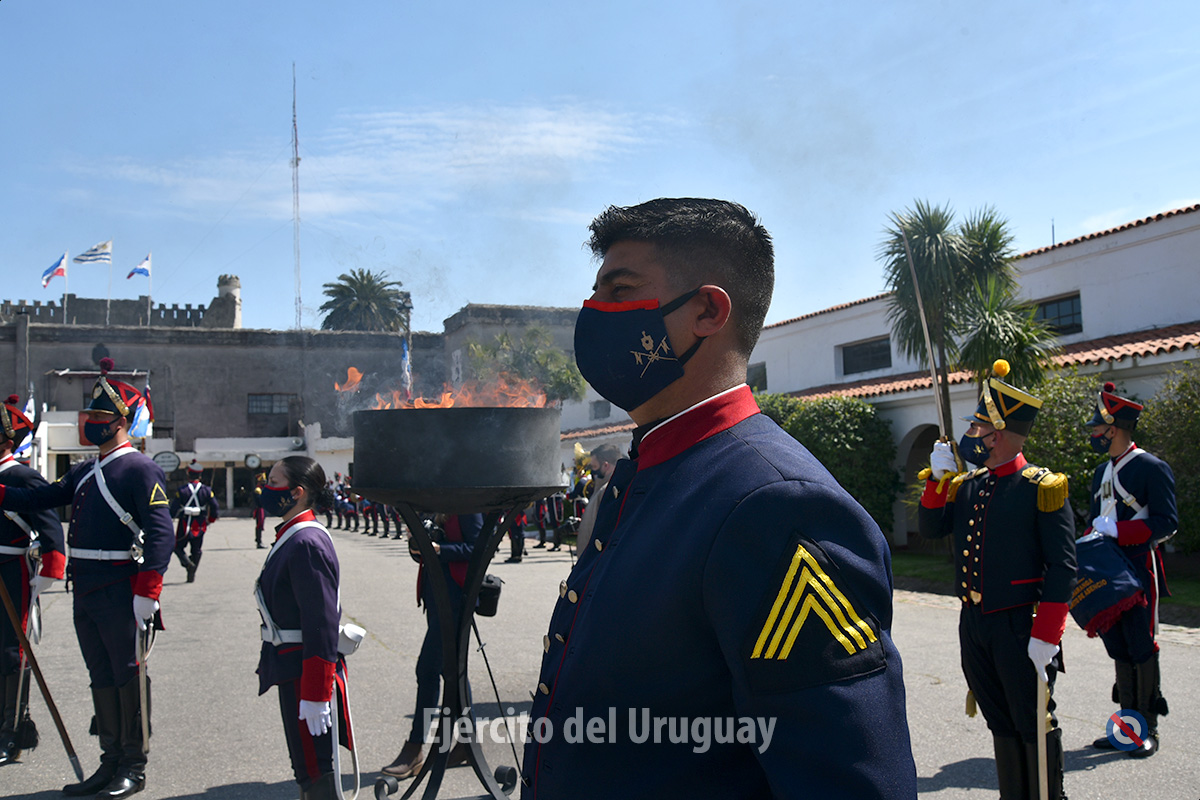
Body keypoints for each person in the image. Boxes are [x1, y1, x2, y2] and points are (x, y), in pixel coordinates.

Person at [522, 198, 917, 798]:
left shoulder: (773, 505)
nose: (595, 314)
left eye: (620, 292)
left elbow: (850, 782)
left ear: (709, 310)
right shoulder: (659, 470)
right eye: (595, 295)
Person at [0, 359, 173, 798]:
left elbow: (160, 533)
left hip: (120, 585)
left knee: (127, 674)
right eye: (89, 415)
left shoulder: (139, 468)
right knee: (100, 674)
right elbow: (41, 496)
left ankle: (133, 765)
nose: (89, 422)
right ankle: (110, 759)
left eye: (98, 417)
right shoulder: (84, 469)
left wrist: (148, 591)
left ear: (120, 422)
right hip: (88, 587)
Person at [919, 359, 1076, 800]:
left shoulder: (1040, 486)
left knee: (1032, 719)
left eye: (979, 428)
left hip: (1019, 625)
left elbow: (1063, 567)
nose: (972, 436)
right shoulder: (969, 485)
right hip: (976, 622)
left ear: (999, 434)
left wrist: (1047, 635)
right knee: (999, 719)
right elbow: (933, 529)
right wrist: (936, 480)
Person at [1083, 382, 1176, 757]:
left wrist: (1120, 530)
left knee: (1141, 645)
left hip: (1138, 568)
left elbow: (1166, 522)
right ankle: (1127, 726)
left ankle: (1147, 728)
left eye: (1097, 427)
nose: (1093, 433)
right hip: (1108, 572)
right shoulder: (1099, 474)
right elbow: (1095, 520)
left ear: (1114, 428)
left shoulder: (1151, 467)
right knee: (1118, 645)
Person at [255, 456, 348, 800]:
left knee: (315, 769)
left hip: (303, 670)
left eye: (274, 481)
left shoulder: (306, 542)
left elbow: (321, 624)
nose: (267, 488)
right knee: (305, 767)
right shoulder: (292, 535)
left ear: (296, 492)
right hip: (291, 664)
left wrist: (315, 691)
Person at [382, 513, 482, 780]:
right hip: (436, 597)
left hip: (454, 599)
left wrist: (441, 549)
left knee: (427, 670)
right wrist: (418, 546)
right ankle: (467, 744)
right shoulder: (432, 503)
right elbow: (423, 553)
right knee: (453, 670)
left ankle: (415, 748)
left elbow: (479, 546)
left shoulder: (464, 503)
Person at [0, 394, 66, 767]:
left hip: (10, 571)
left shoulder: (20, 476)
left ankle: (11, 733)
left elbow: (48, 522)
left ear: (7, 442)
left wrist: (50, 568)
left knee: (12, 650)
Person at [168, 460, 219, 583]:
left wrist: (170, 518)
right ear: (200, 476)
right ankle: (192, 571)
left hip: (184, 522)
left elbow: (174, 508)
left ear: (188, 474)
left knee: (177, 547)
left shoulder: (182, 490)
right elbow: (215, 506)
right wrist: (211, 519)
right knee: (196, 550)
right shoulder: (207, 490)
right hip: (200, 523)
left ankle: (188, 564)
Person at [574, 443, 621, 554]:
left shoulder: (608, 490)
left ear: (605, 465)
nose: (592, 472)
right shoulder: (600, 488)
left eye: (594, 467)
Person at [252, 472, 267, 549]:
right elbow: (259, 501)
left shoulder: (261, 489)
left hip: (262, 508)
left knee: (261, 525)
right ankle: (259, 542)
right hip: (259, 509)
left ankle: (259, 540)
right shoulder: (258, 490)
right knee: (259, 525)